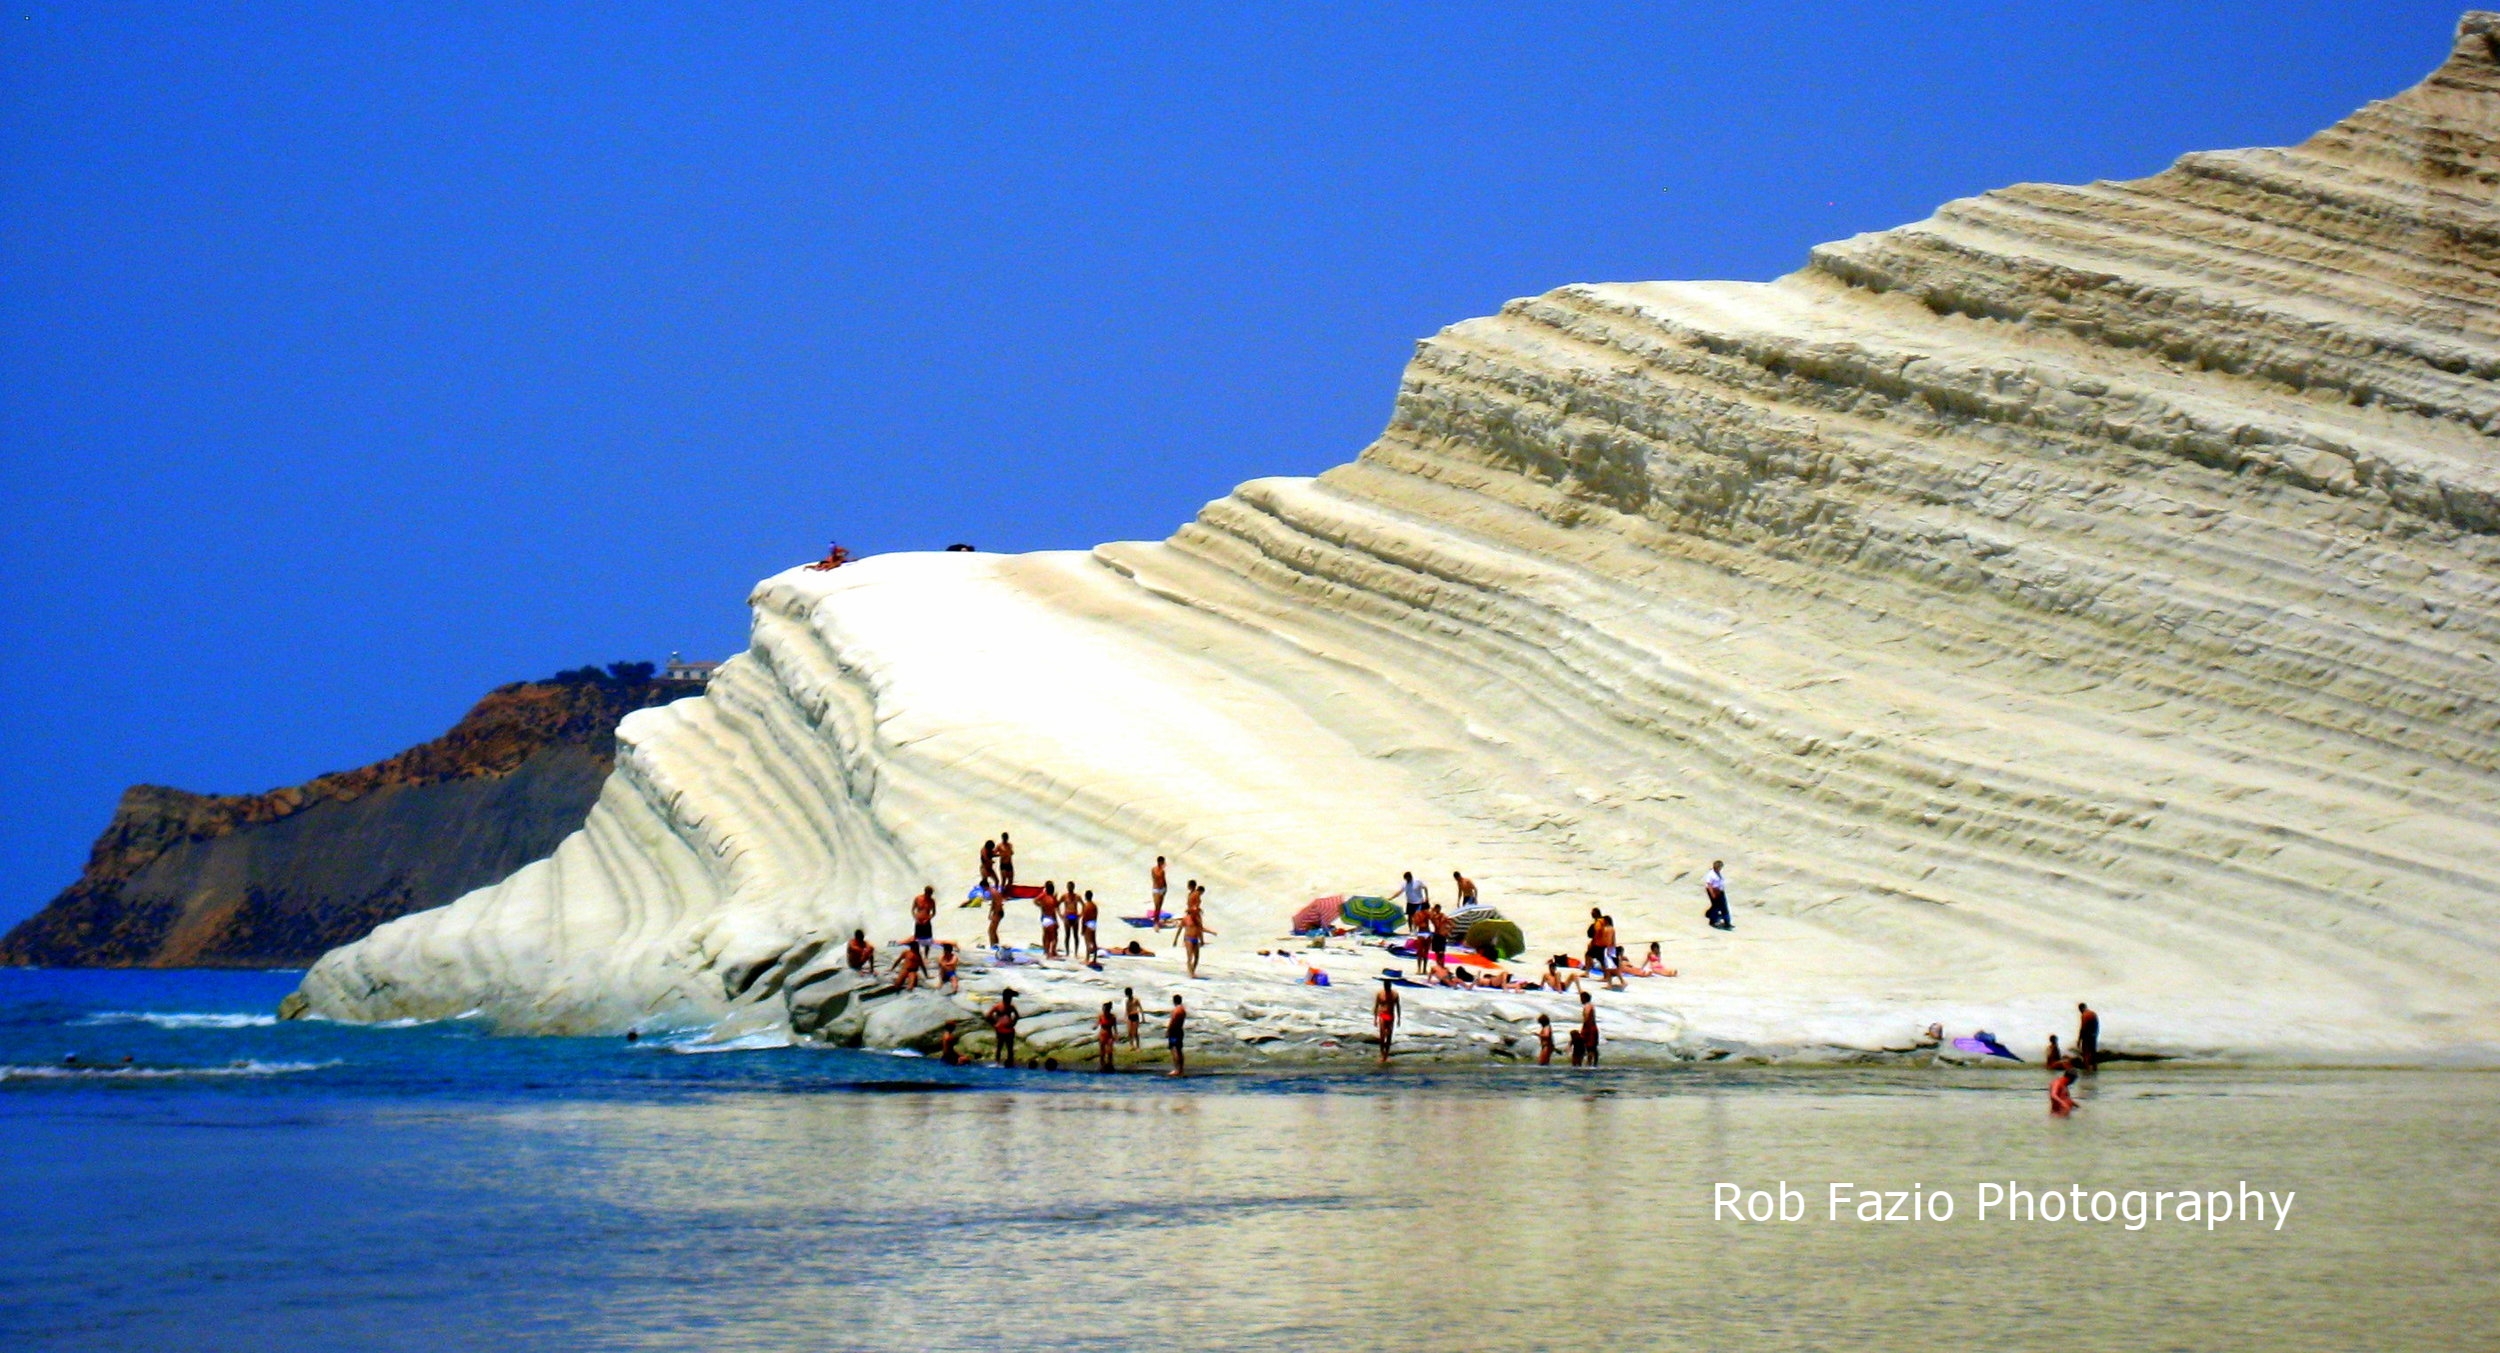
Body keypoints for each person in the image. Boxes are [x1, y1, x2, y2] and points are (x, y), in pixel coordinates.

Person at [987, 988, 1021, 1067]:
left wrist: (1013, 1023)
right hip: (1000, 1030)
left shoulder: (1011, 1006)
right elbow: (988, 1016)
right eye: (1009, 997)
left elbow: (1017, 1016)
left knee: (1010, 1048)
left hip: (1009, 1030)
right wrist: (994, 1024)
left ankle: (1010, 1062)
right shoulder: (998, 1006)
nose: (1010, 999)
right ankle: (997, 1063)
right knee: (999, 1046)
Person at [1374, 976, 1402, 1065]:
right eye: (1386, 985)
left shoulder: (1395, 994)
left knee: (1389, 1036)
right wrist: (1375, 1019)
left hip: (1390, 1015)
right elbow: (1376, 1006)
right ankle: (1382, 1054)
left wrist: (1399, 1019)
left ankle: (1386, 1055)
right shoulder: (1380, 993)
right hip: (1382, 1015)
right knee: (1382, 1036)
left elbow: (1398, 1006)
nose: (1387, 987)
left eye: (1388, 985)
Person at [910, 885, 938, 961]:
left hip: (927, 922)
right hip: (918, 922)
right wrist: (916, 918)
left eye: (931, 893)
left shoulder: (932, 901)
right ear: (925, 892)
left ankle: (926, 957)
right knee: (917, 939)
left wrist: (929, 918)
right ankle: (917, 955)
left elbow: (934, 913)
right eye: (929, 893)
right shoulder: (918, 898)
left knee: (928, 940)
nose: (930, 895)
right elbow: (913, 910)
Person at [1703, 860, 1732, 930]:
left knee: (1724, 907)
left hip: (1720, 891)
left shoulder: (1718, 873)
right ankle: (1712, 921)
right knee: (1716, 907)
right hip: (1714, 891)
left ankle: (1727, 923)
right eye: (1719, 867)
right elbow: (1709, 884)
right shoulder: (1711, 874)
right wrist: (1712, 894)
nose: (1720, 868)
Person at [1037, 882, 1061, 960]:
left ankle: (1046, 952)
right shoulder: (1052, 898)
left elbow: (1035, 901)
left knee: (1046, 936)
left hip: (1044, 918)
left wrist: (1041, 906)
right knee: (1054, 938)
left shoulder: (1043, 896)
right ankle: (1052, 952)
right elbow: (1055, 909)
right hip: (1051, 919)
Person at [1166, 994, 1188, 1077]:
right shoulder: (1183, 1010)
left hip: (1174, 1031)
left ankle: (1176, 1069)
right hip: (1180, 1030)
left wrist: (1168, 1030)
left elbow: (1173, 1021)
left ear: (1174, 1001)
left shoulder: (1176, 1010)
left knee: (1174, 1049)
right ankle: (1181, 1069)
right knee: (1179, 1050)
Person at [1578, 991, 1601, 1068]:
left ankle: (1590, 1063)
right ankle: (1594, 1063)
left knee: (1590, 1047)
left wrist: (1584, 1029)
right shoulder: (1590, 1006)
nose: (1580, 1000)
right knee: (1592, 1047)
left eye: (1581, 998)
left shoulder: (1588, 1006)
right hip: (1591, 1027)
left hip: (1589, 1028)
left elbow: (1587, 1017)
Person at [2075, 1002, 2100, 1072]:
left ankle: (2087, 1070)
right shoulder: (2093, 1014)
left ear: (2081, 1008)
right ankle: (2095, 1068)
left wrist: (2079, 1040)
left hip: (2087, 1036)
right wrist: (2095, 1035)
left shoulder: (2085, 1015)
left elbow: (2083, 1028)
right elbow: (2097, 1026)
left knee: (2085, 1053)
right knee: (2093, 1052)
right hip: (2094, 1035)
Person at [1096, 1001, 1118, 1072]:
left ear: (1108, 1010)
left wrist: (1116, 1034)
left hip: (1109, 1035)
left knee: (1109, 1051)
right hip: (1102, 1034)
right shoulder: (1101, 1016)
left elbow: (1115, 1027)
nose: (1104, 1011)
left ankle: (1110, 1065)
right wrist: (1095, 1026)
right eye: (1103, 1009)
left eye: (1105, 1009)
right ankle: (1102, 1065)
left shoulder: (1112, 1017)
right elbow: (1098, 1023)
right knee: (1102, 1052)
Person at [1080, 889, 1101, 961]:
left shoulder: (1086, 905)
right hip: (1093, 923)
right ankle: (1094, 958)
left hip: (1088, 923)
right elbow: (1096, 915)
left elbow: (1084, 918)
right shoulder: (1094, 906)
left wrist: (1083, 928)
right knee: (1094, 941)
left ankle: (1087, 958)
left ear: (1086, 896)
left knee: (1087, 942)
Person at [1150, 856, 1169, 928]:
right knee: (1156, 906)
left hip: (1162, 888)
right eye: (1163, 862)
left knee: (1159, 906)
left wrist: (1165, 889)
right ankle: (1155, 922)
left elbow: (1164, 880)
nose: (1164, 863)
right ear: (1160, 862)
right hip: (1156, 889)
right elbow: (1154, 878)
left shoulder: (1162, 871)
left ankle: (1157, 921)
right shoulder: (1154, 869)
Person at [986, 883, 1005, 948]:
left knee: (991, 931)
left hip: (998, 912)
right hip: (998, 912)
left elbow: (998, 904)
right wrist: (990, 913)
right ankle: (995, 945)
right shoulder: (993, 891)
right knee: (993, 931)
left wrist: (995, 914)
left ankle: (993, 946)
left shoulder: (993, 893)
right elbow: (993, 903)